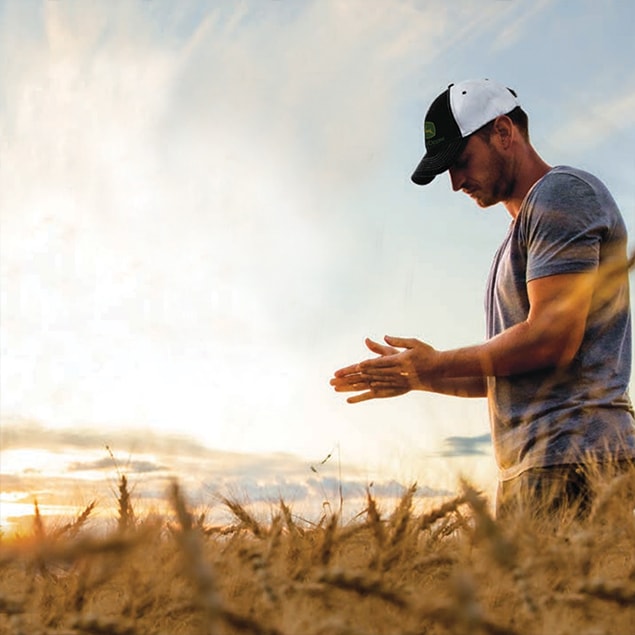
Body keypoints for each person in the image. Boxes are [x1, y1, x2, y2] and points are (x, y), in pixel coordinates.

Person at [330, 78, 635, 520]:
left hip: (577, 467)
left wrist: (435, 363)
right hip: (532, 472)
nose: (455, 183)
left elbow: (552, 340)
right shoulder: (516, 235)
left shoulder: (562, 193)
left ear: (503, 133)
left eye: (460, 161)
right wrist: (417, 376)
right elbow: (503, 375)